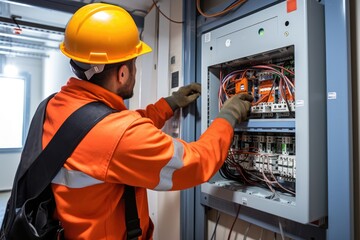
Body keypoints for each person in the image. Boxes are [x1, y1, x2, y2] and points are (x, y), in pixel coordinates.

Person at [47, 3, 253, 240]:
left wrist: (168, 104)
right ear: (122, 73)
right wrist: (228, 115)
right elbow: (197, 162)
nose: (135, 70)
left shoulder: (56, 105)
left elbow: (111, 129)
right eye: (134, 62)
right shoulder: (117, 135)